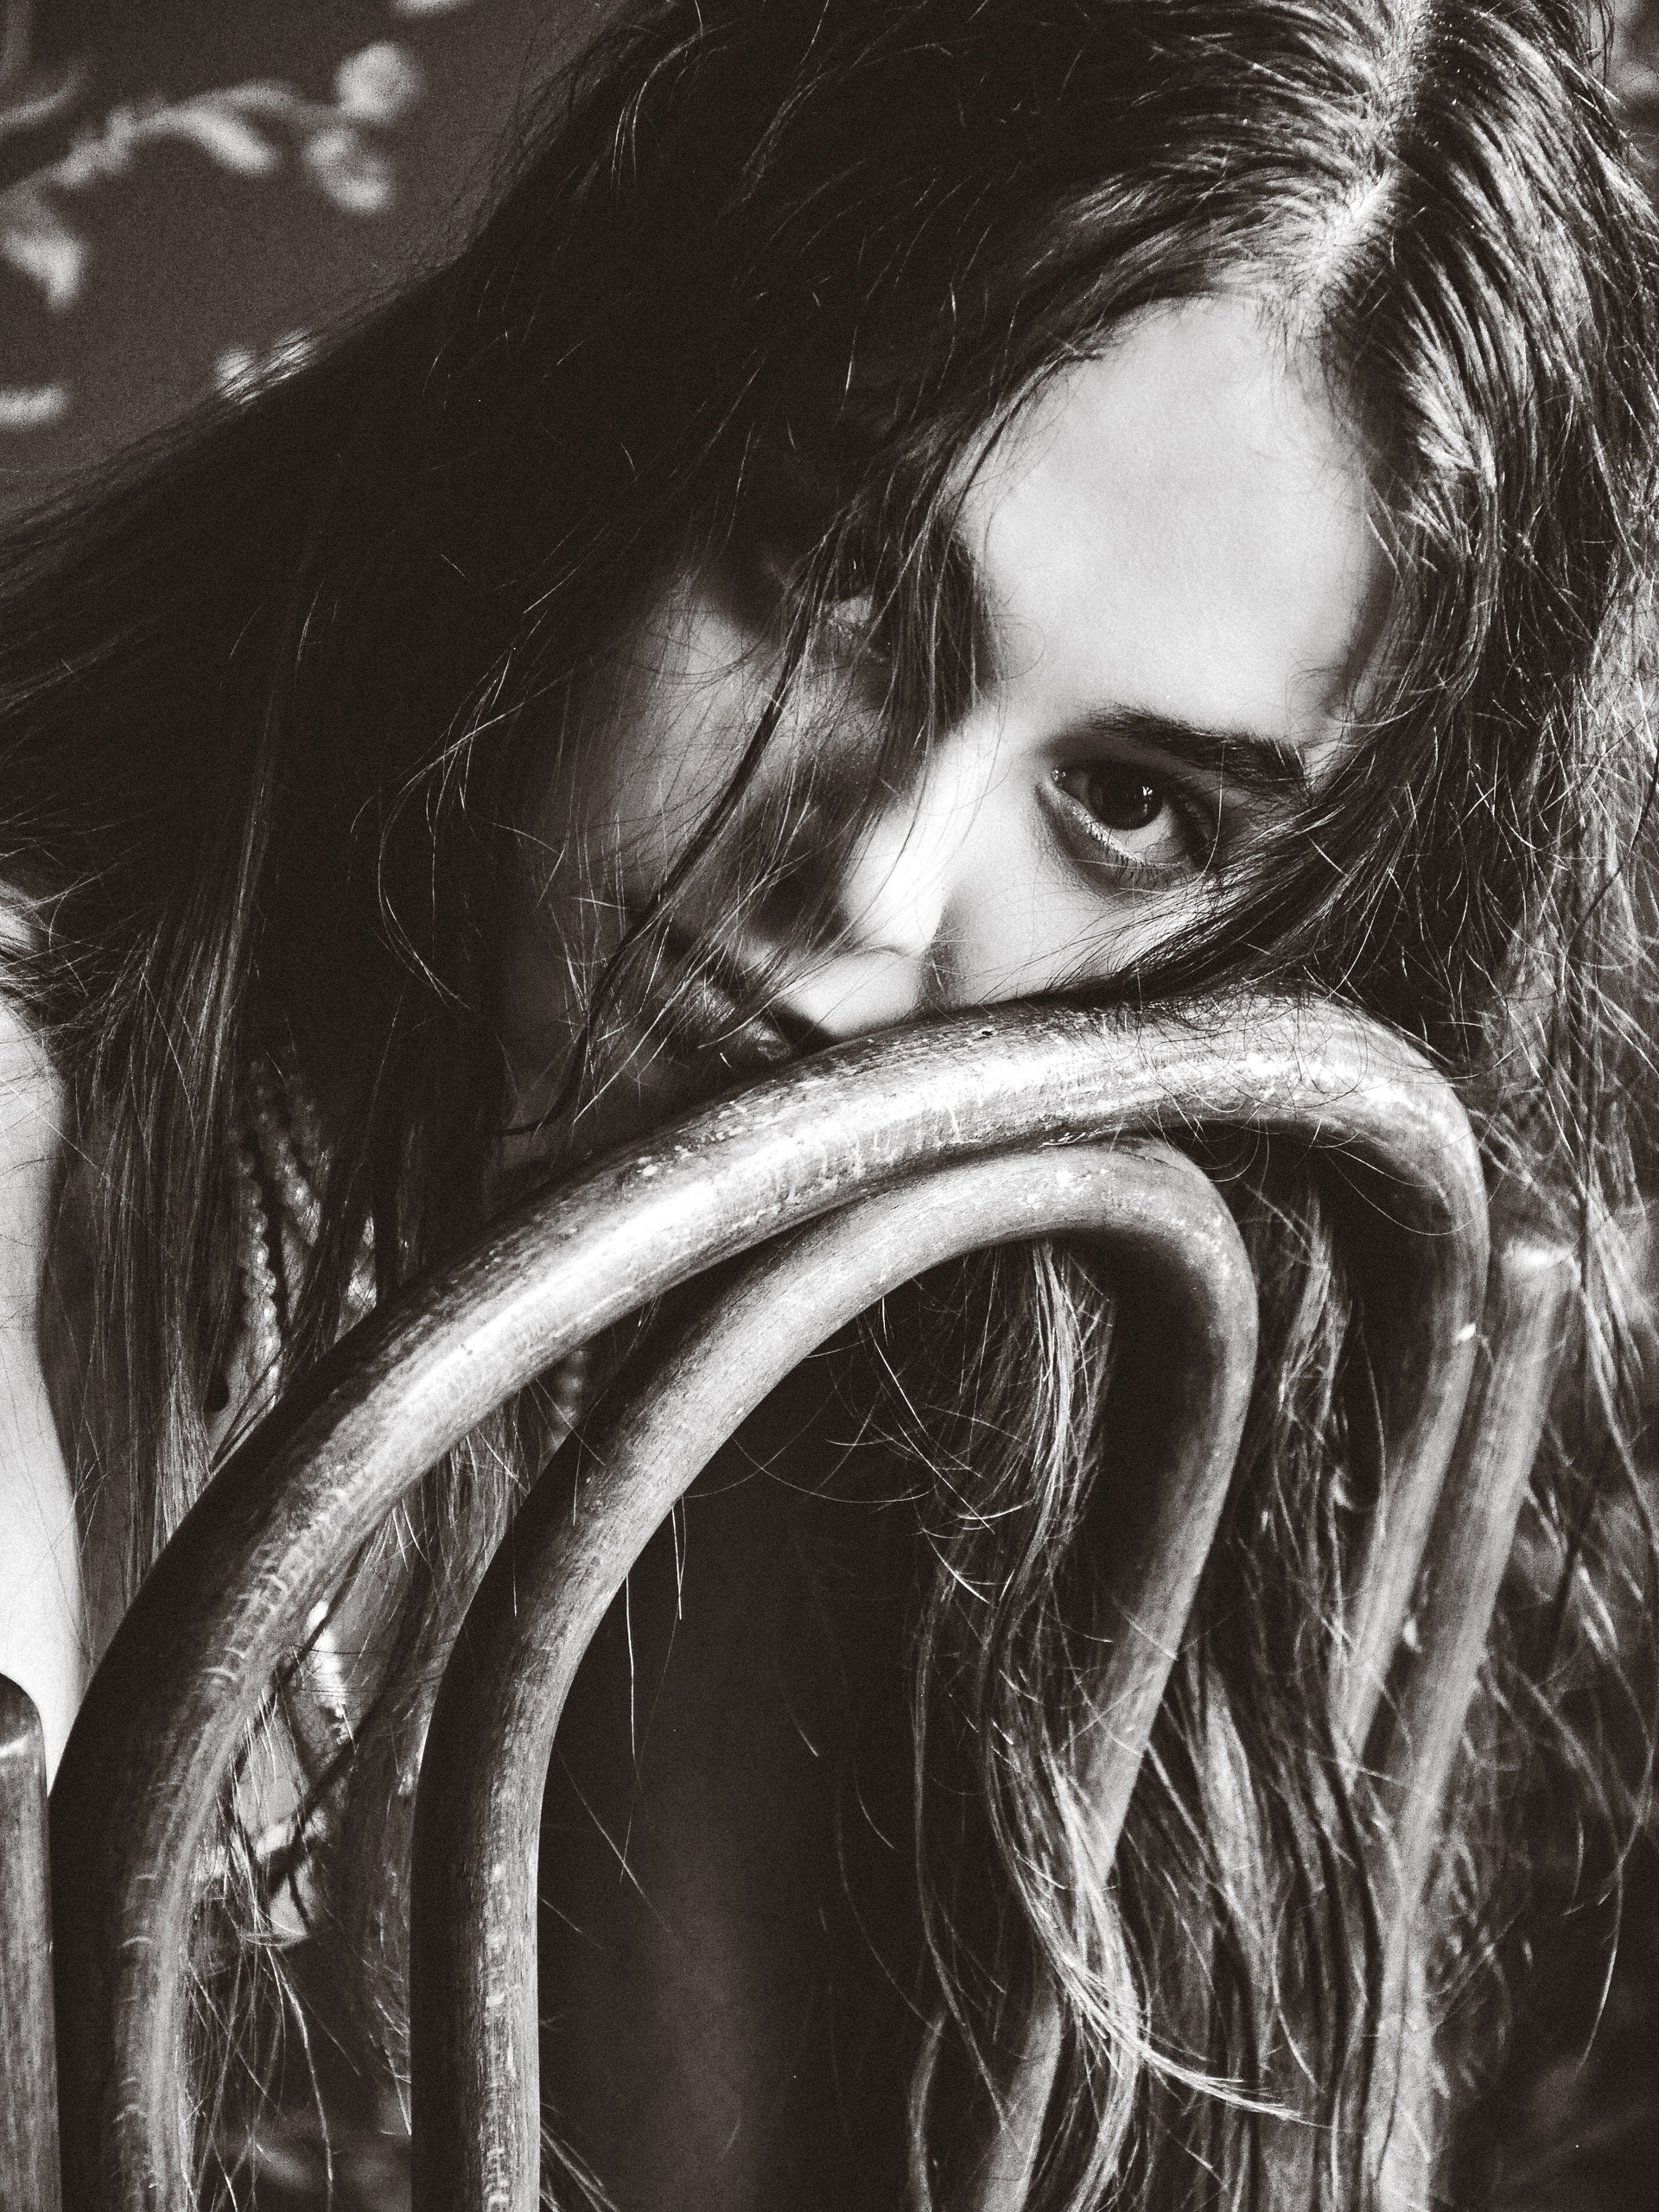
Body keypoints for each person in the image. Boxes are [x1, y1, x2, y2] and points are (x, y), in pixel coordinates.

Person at [3, 0, 1658, 2204]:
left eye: (1130, 802)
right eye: (844, 576)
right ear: (605, 421)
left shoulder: (1054, 1359)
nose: (874, 884)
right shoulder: (50, 1096)